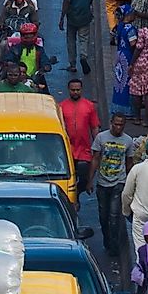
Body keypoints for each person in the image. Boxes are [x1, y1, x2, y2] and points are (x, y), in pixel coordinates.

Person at [91, 114, 134, 253]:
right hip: (102, 182)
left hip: (118, 182)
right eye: (116, 124)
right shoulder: (101, 138)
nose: (118, 127)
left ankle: (114, 247)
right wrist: (89, 180)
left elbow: (129, 163)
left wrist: (130, 184)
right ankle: (107, 241)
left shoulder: (128, 141)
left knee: (114, 215)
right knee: (103, 215)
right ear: (111, 123)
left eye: (121, 125)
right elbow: (96, 159)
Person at [60, 78, 101, 207]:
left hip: (84, 149)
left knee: (84, 177)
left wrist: (98, 144)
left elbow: (94, 127)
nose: (75, 92)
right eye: (73, 90)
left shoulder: (89, 106)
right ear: (69, 90)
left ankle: (76, 194)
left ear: (81, 90)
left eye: (78, 90)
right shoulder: (61, 107)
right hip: (68, 149)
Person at [59, 0, 97, 74]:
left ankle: (72, 64)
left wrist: (62, 17)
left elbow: (66, 1)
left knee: (71, 39)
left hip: (72, 16)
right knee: (84, 38)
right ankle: (83, 56)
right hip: (85, 15)